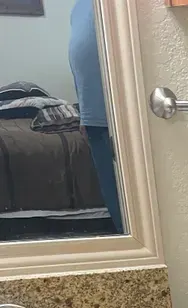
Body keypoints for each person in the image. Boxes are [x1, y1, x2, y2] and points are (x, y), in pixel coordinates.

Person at [68, 0, 122, 232]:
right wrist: (83, 114)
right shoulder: (79, 8)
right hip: (94, 118)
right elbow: (78, 62)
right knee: (113, 195)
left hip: (125, 114)